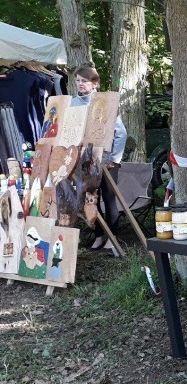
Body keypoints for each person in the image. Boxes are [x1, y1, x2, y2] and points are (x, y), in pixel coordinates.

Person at [72, 66, 127, 255]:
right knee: (91, 200)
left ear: (95, 84)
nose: (80, 84)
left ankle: (113, 238)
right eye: (78, 80)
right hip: (85, 162)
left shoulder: (105, 102)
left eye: (84, 81)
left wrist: (114, 159)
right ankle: (98, 235)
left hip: (106, 161)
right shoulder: (73, 104)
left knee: (109, 199)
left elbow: (120, 133)